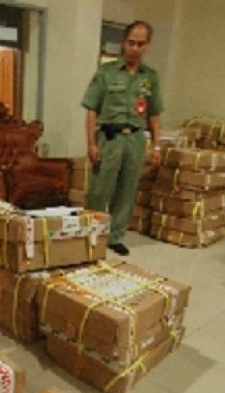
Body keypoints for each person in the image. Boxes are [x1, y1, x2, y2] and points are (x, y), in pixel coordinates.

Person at [81, 20, 163, 256]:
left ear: (147, 46)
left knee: (127, 189)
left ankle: (115, 236)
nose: (135, 48)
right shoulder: (106, 73)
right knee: (99, 190)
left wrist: (156, 146)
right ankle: (91, 234)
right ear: (123, 43)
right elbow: (91, 109)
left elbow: (155, 114)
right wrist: (91, 143)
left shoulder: (150, 78)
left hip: (136, 139)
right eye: (131, 43)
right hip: (109, 138)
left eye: (141, 44)